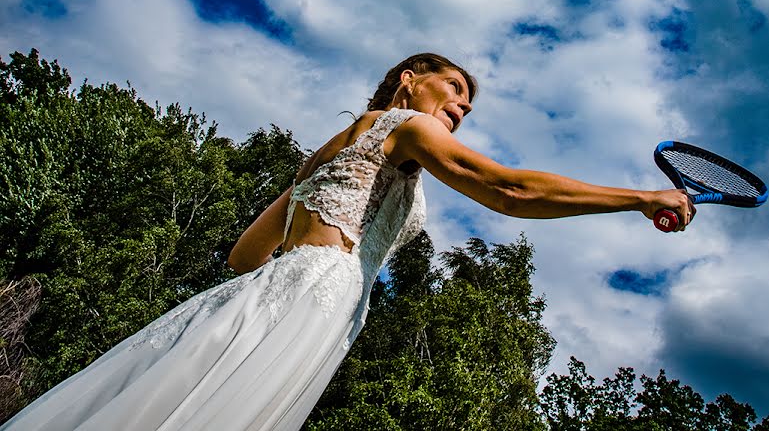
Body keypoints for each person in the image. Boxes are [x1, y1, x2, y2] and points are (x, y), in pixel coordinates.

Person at [2, 53, 693, 431]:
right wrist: (640, 197)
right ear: (408, 81)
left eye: (467, 106)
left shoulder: (324, 155)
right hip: (319, 299)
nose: (459, 108)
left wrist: (282, 284)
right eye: (452, 92)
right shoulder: (404, 126)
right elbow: (507, 191)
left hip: (282, 294)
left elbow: (245, 256)